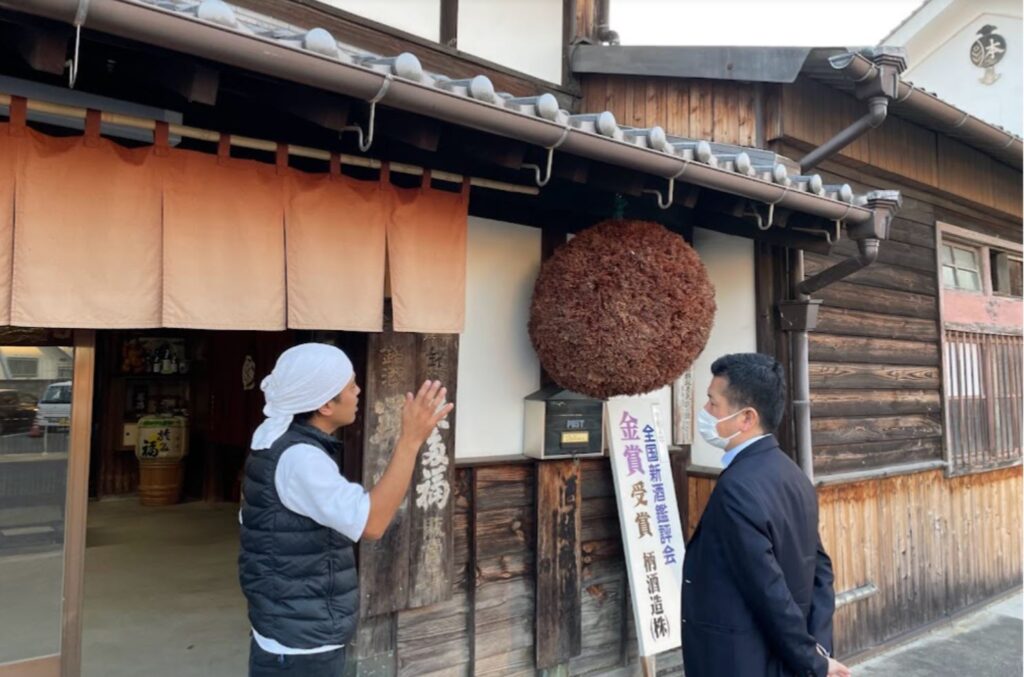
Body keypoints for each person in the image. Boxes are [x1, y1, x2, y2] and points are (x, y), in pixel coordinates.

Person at [238, 343, 452, 676]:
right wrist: (410, 440)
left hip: (289, 626)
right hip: (300, 645)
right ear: (325, 404)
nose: (358, 391)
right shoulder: (299, 459)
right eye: (350, 385)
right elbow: (372, 523)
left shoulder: (279, 441)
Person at [682, 352, 851, 677]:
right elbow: (821, 572)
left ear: (746, 418)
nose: (704, 412)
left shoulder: (737, 487)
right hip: (780, 660)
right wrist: (819, 648)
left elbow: (768, 590)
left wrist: (814, 662)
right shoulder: (793, 474)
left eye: (712, 403)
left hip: (739, 661)